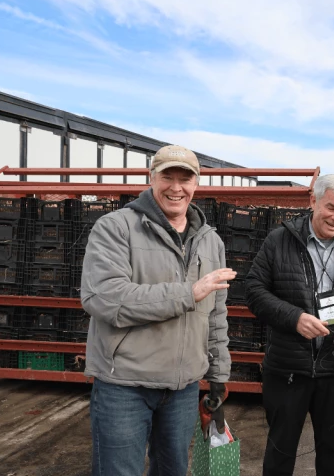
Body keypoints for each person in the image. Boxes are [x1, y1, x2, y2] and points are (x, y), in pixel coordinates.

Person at [81, 145, 236, 476]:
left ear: (197, 183)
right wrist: (188, 293)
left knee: (172, 471)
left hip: (183, 389)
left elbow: (216, 314)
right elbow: (103, 297)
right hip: (124, 385)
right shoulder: (115, 228)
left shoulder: (211, 241)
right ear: (151, 178)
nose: (176, 188)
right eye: (168, 176)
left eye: (185, 178)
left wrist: (219, 373)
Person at [245, 174, 334, 476]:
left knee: (332, 451)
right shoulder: (279, 240)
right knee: (280, 450)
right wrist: (293, 318)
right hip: (287, 371)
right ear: (313, 201)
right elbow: (254, 292)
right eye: (331, 208)